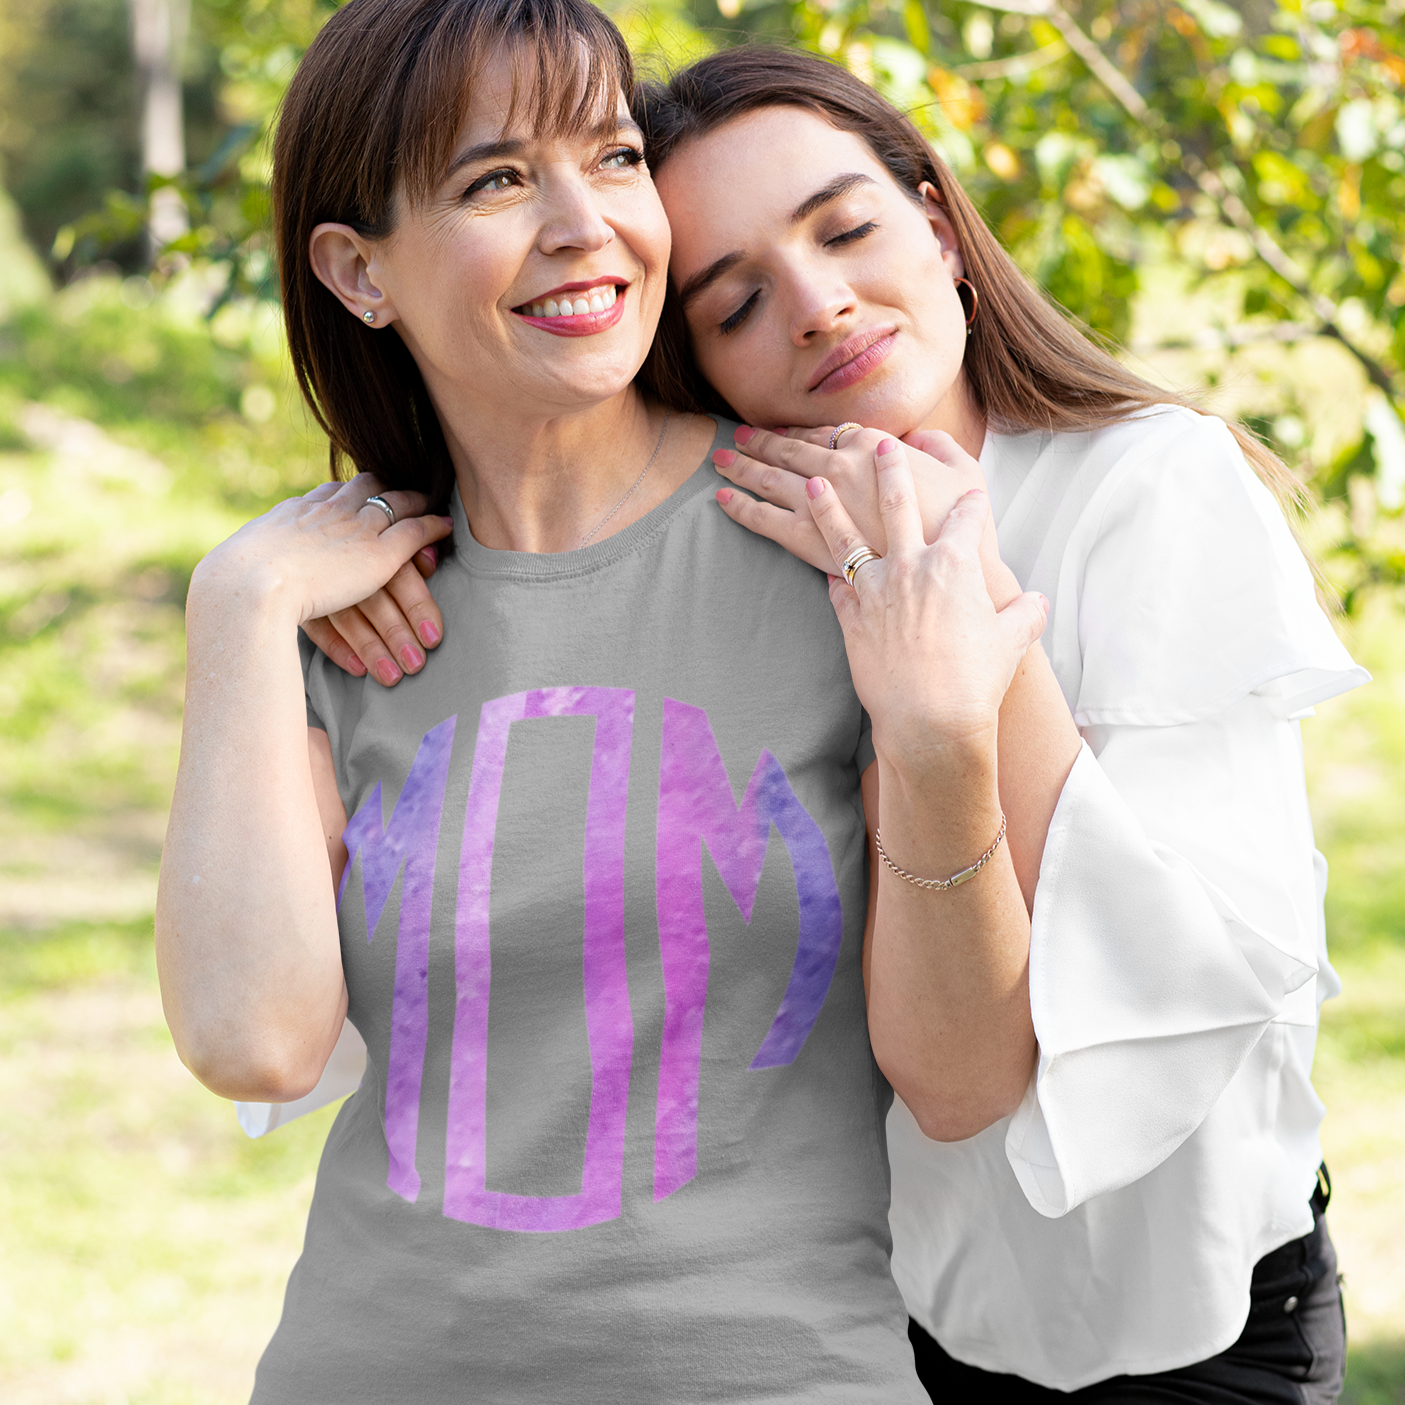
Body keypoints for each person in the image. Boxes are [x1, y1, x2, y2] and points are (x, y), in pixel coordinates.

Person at [303, 39, 1363, 1404]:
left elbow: (1174, 983)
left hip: (1193, 1326)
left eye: (847, 230)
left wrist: (958, 612)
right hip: (890, 1318)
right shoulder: (765, 548)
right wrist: (346, 574)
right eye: (731, 304)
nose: (814, 308)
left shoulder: (1147, 492)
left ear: (936, 222)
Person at [154, 1, 1058, 1398]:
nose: (585, 222)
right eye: (498, 179)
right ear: (357, 270)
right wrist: (237, 611)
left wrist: (937, 735)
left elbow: (965, 1079)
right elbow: (252, 1041)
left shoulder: (851, 531)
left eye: (615, 157)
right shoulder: (337, 603)